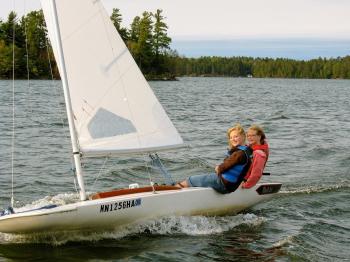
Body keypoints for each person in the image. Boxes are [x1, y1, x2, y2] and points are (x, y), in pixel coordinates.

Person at [176, 124, 252, 193]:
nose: (233, 139)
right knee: (205, 177)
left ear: (243, 136)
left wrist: (218, 168)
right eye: (231, 137)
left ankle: (173, 189)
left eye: (236, 136)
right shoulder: (247, 152)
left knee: (190, 180)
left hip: (223, 184)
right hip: (231, 186)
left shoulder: (239, 153)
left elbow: (222, 168)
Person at [241, 125, 269, 189]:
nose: (249, 138)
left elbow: (256, 174)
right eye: (248, 136)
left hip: (244, 181)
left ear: (259, 136)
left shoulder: (259, 153)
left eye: (252, 135)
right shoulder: (251, 146)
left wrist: (246, 185)